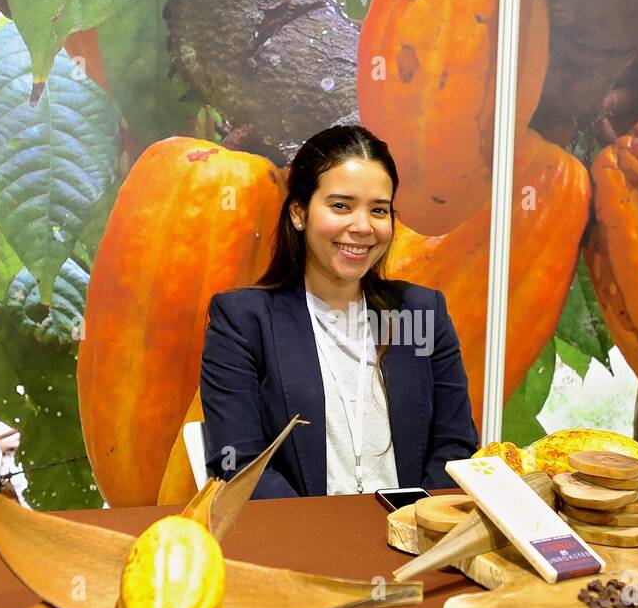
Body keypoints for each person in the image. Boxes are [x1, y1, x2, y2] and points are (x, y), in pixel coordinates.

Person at [200, 125, 479, 498]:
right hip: (297, 545)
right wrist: (316, 540)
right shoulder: (243, 321)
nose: (362, 226)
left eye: (378, 210)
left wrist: (417, 526)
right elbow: (237, 463)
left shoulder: (421, 313)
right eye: (341, 206)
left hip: (413, 540)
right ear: (299, 213)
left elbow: (456, 447)